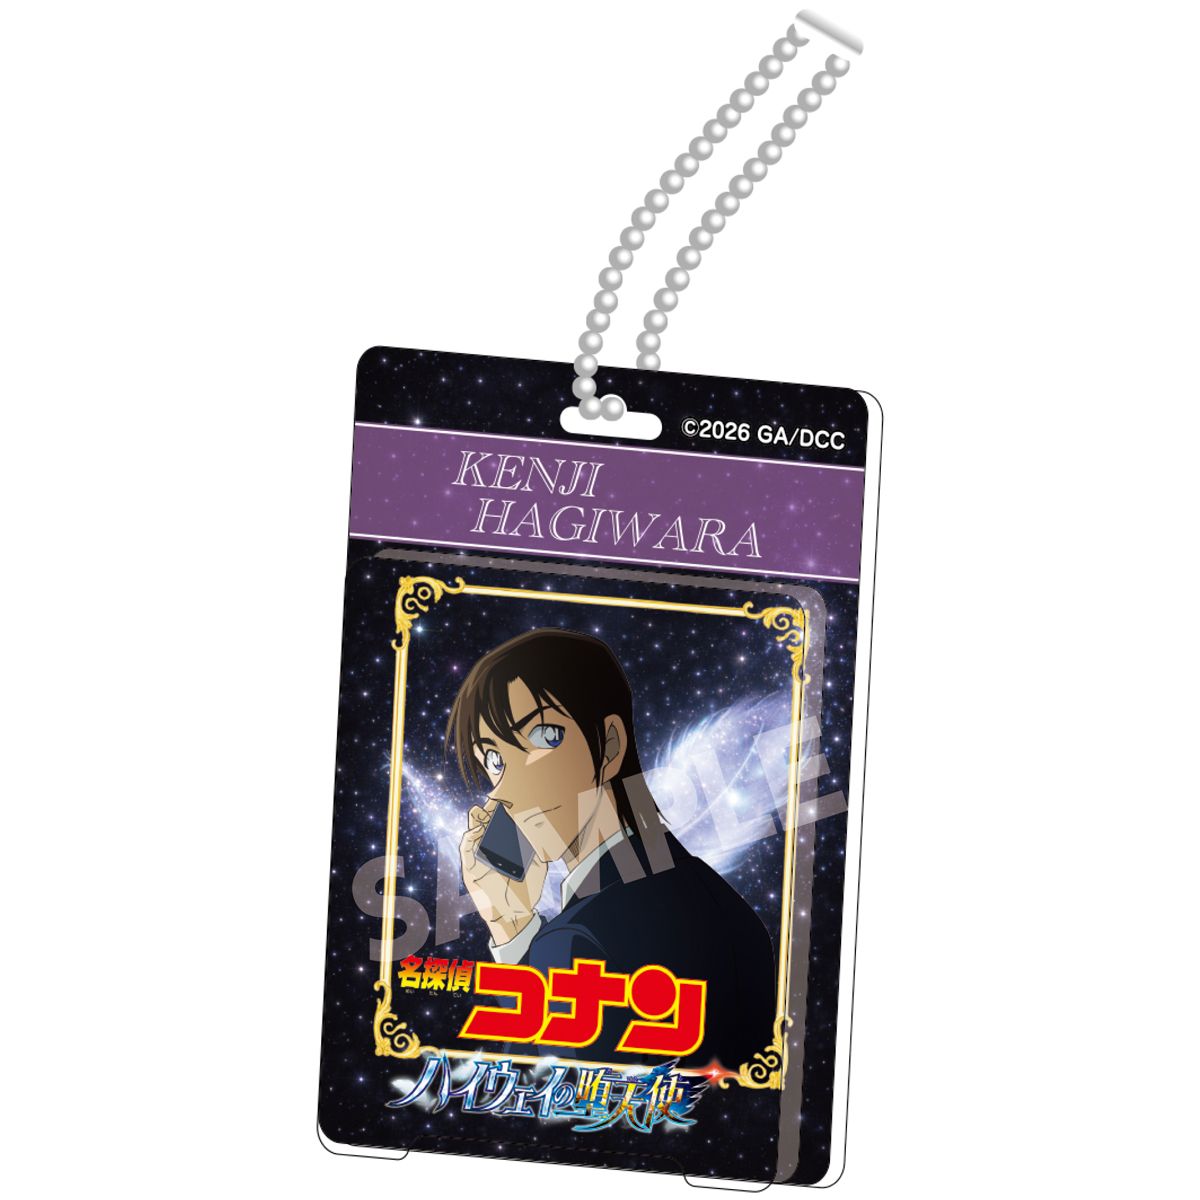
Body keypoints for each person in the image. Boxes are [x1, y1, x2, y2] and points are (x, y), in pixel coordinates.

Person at [448, 628, 775, 1069]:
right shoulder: (724, 904)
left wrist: (516, 936)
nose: (504, 789)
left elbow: (543, 1093)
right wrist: (511, 922)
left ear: (610, 746)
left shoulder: (574, 939)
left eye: (545, 736)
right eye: (495, 759)